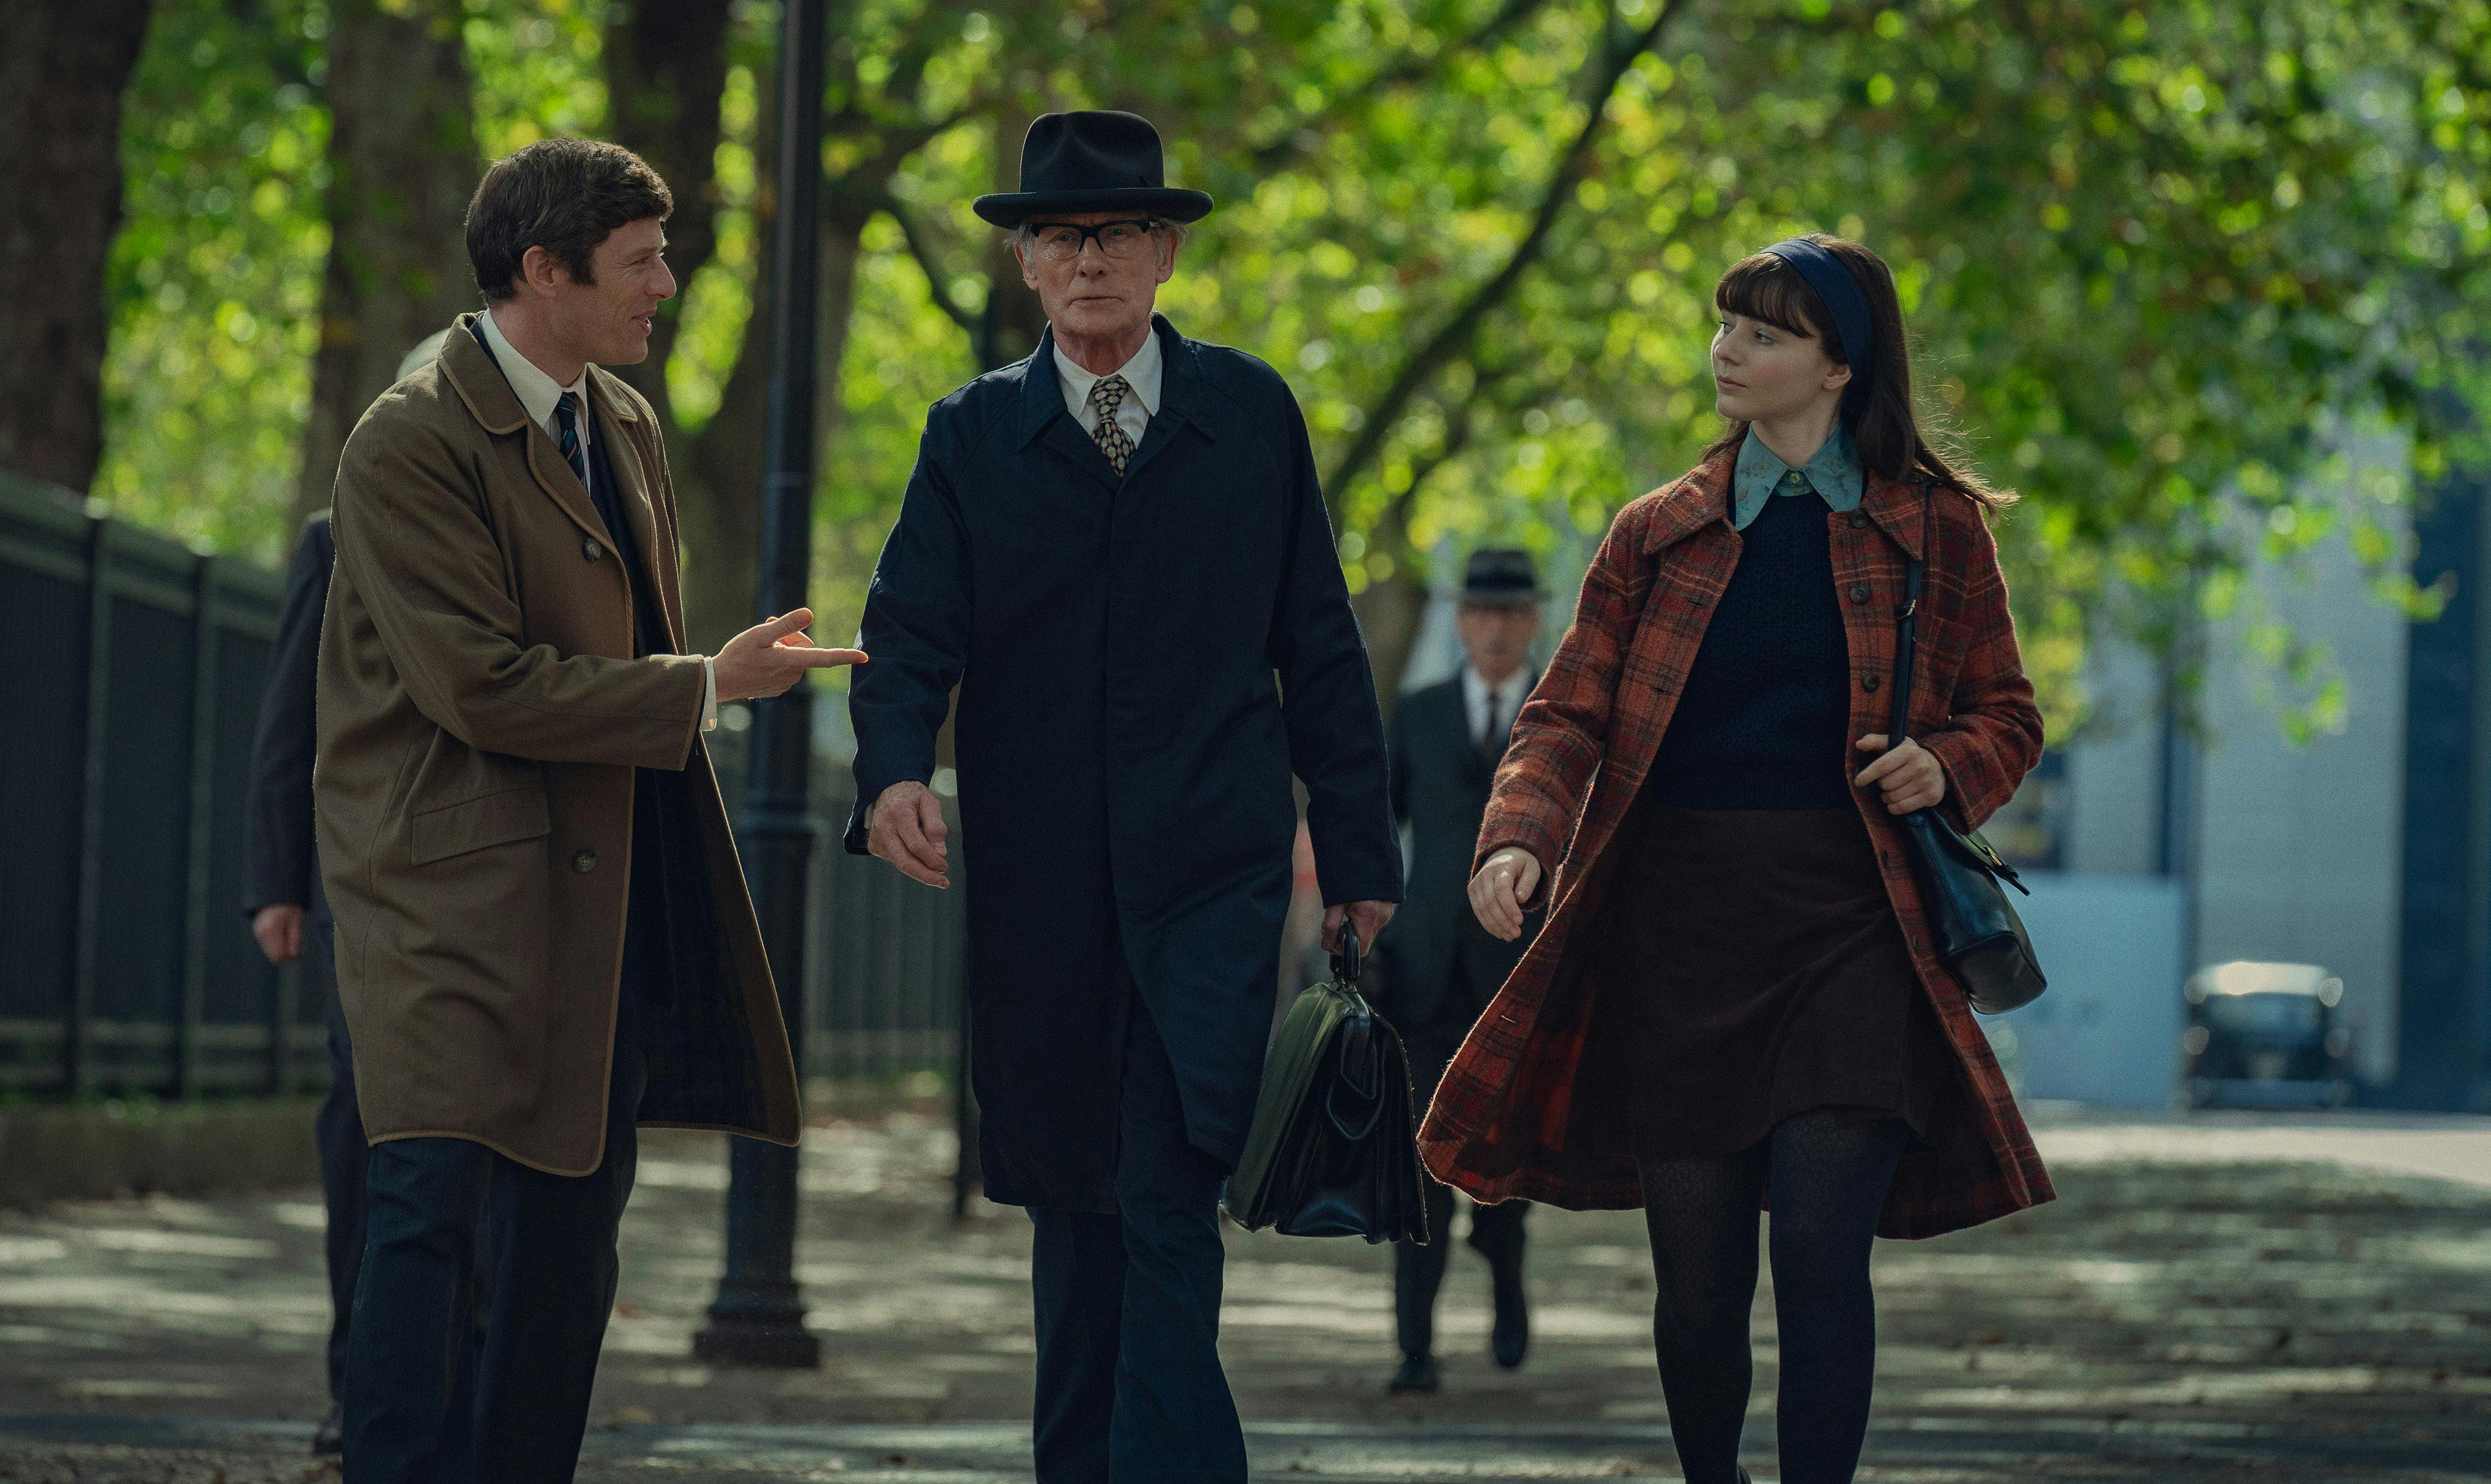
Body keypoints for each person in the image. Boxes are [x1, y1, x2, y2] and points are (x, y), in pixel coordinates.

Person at [1419, 234, 2054, 1484]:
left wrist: (1948, 764)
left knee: (1823, 1252)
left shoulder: (1936, 531)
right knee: (1698, 1284)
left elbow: (2007, 713)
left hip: (1856, 925)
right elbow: (1565, 716)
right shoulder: (1658, 532)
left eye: (1763, 334)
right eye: (1726, 326)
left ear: (1836, 364)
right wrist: (1515, 839)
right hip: (1683, 933)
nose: (1730, 351)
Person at [847, 109, 1403, 1483]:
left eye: (1114, 235)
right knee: (1072, 1208)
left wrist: (1357, 858)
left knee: (1165, 1188)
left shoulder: (1249, 417)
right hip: (1040, 891)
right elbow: (908, 633)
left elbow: (1318, 647)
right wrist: (893, 775)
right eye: (1057, 237)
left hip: (1209, 879)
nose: (1086, 260)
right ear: (1026, 267)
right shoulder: (973, 434)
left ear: (1163, 255)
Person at [313, 137, 862, 1483]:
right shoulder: (406, 438)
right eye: (639, 260)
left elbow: (614, 661)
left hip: (600, 899)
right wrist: (706, 687)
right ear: (540, 270)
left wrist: (703, 682)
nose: (666, 283)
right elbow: (476, 685)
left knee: (572, 1232)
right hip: (445, 900)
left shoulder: (619, 419)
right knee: (427, 1218)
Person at [1376, 546, 1544, 1396]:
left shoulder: (1563, 714)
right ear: (1460, 619)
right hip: (1423, 978)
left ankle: (1508, 1281)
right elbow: (1377, 830)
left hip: (1520, 977)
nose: (1497, 629)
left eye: (1513, 612)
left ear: (1537, 618)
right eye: (1482, 612)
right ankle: (1414, 1348)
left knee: (1505, 1168)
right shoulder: (1420, 712)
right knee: (1419, 1169)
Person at [243, 507, 364, 1456]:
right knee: (363, 1123)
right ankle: (356, 1384)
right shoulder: (334, 538)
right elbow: (291, 715)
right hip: (354, 888)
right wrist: (277, 882)